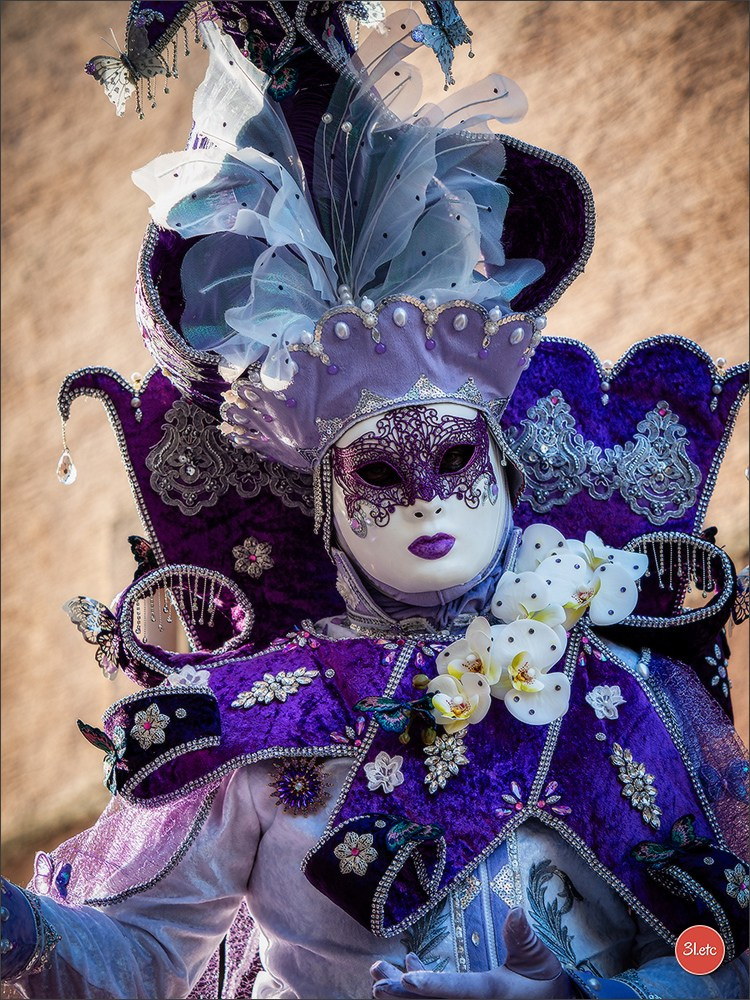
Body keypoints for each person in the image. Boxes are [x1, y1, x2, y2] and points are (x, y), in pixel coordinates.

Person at [1, 3, 748, 999]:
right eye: (382, 475)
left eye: (453, 456)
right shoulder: (260, 730)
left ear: (506, 462)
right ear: (329, 505)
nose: (425, 498)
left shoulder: (625, 702)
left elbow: (713, 954)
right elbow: (136, 961)